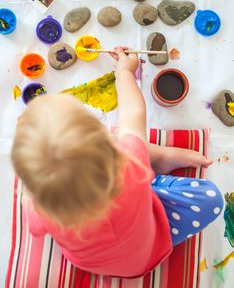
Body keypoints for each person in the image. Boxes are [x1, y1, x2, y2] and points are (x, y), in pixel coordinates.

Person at [11, 47, 223, 278]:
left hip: (99, 265)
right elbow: (133, 112)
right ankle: (157, 160)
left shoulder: (42, 209)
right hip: (152, 248)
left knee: (138, 160)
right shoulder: (129, 165)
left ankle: (155, 161)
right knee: (211, 197)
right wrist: (124, 72)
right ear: (106, 144)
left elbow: (34, 227)